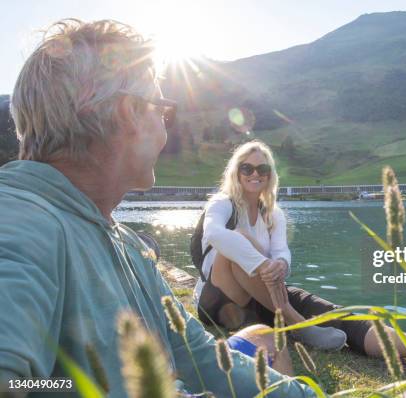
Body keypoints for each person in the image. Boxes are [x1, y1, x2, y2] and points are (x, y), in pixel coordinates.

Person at [0, 19, 313, 397]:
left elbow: (192, 351)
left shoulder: (124, 242)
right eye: (162, 110)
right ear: (130, 111)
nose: (165, 127)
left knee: (262, 337)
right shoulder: (19, 224)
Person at [194, 140, 406, 374]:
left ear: (271, 176)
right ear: (236, 172)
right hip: (220, 300)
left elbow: (282, 251)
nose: (255, 174)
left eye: (263, 169)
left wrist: (280, 264)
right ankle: (297, 323)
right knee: (238, 240)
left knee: (341, 317)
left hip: (265, 294)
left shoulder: (273, 214)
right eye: (247, 168)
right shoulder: (222, 203)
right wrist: (262, 263)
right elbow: (214, 234)